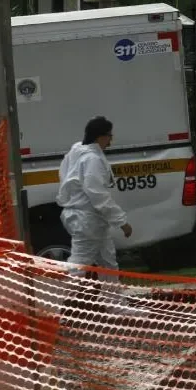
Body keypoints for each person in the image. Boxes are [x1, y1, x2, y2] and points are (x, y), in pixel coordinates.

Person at [56, 116, 142, 316]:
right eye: (109, 136)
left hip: (88, 218)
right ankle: (51, 308)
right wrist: (121, 221)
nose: (111, 141)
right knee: (79, 265)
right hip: (88, 219)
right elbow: (98, 194)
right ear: (100, 137)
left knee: (108, 262)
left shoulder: (77, 151)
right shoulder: (92, 159)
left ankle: (115, 306)